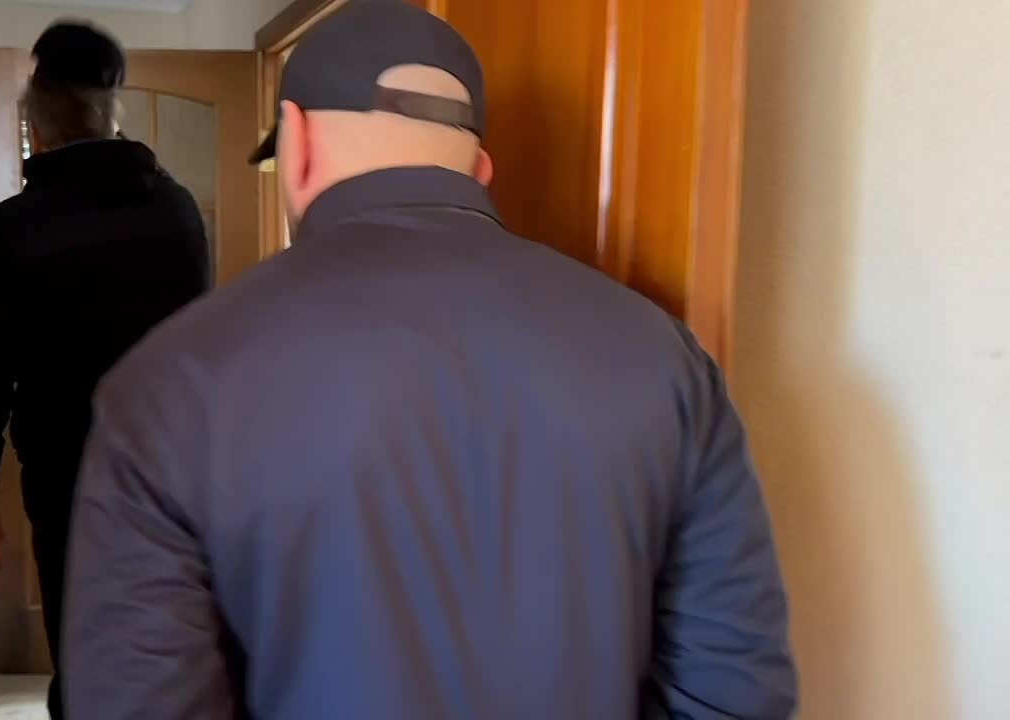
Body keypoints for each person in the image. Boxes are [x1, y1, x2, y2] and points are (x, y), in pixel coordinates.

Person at [64, 2, 797, 718]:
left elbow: (137, 701)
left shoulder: (167, 383)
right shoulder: (665, 358)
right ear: (480, 167)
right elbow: (735, 689)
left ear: (298, 140)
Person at [0, 20, 210, 720]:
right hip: (173, 474)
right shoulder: (176, 210)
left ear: (37, 119)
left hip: (68, 477)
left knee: (83, 646)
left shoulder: (14, 226)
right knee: (167, 650)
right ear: (110, 110)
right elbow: (199, 355)